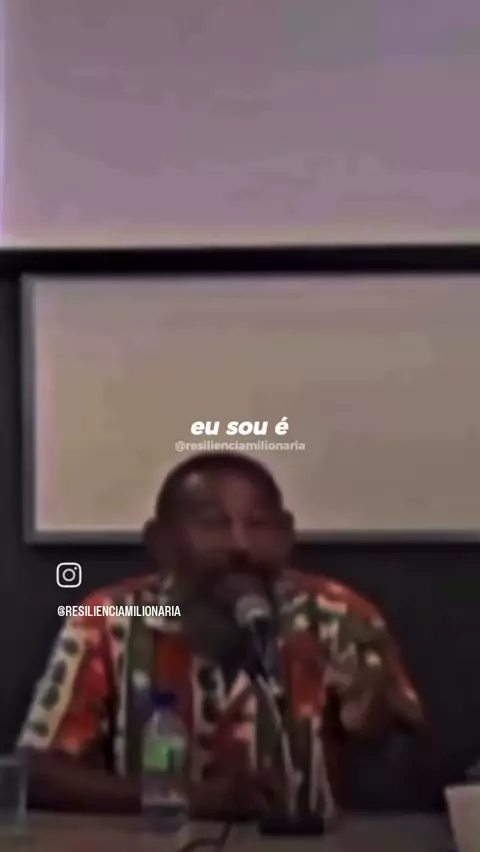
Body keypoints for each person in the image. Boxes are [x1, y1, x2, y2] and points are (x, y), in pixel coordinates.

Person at [17, 452, 425, 818]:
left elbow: (415, 775)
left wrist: (378, 726)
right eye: (213, 524)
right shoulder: (108, 620)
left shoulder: (338, 615)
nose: (240, 545)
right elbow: (37, 773)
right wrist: (189, 798)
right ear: (160, 542)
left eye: (258, 524)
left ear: (286, 536)